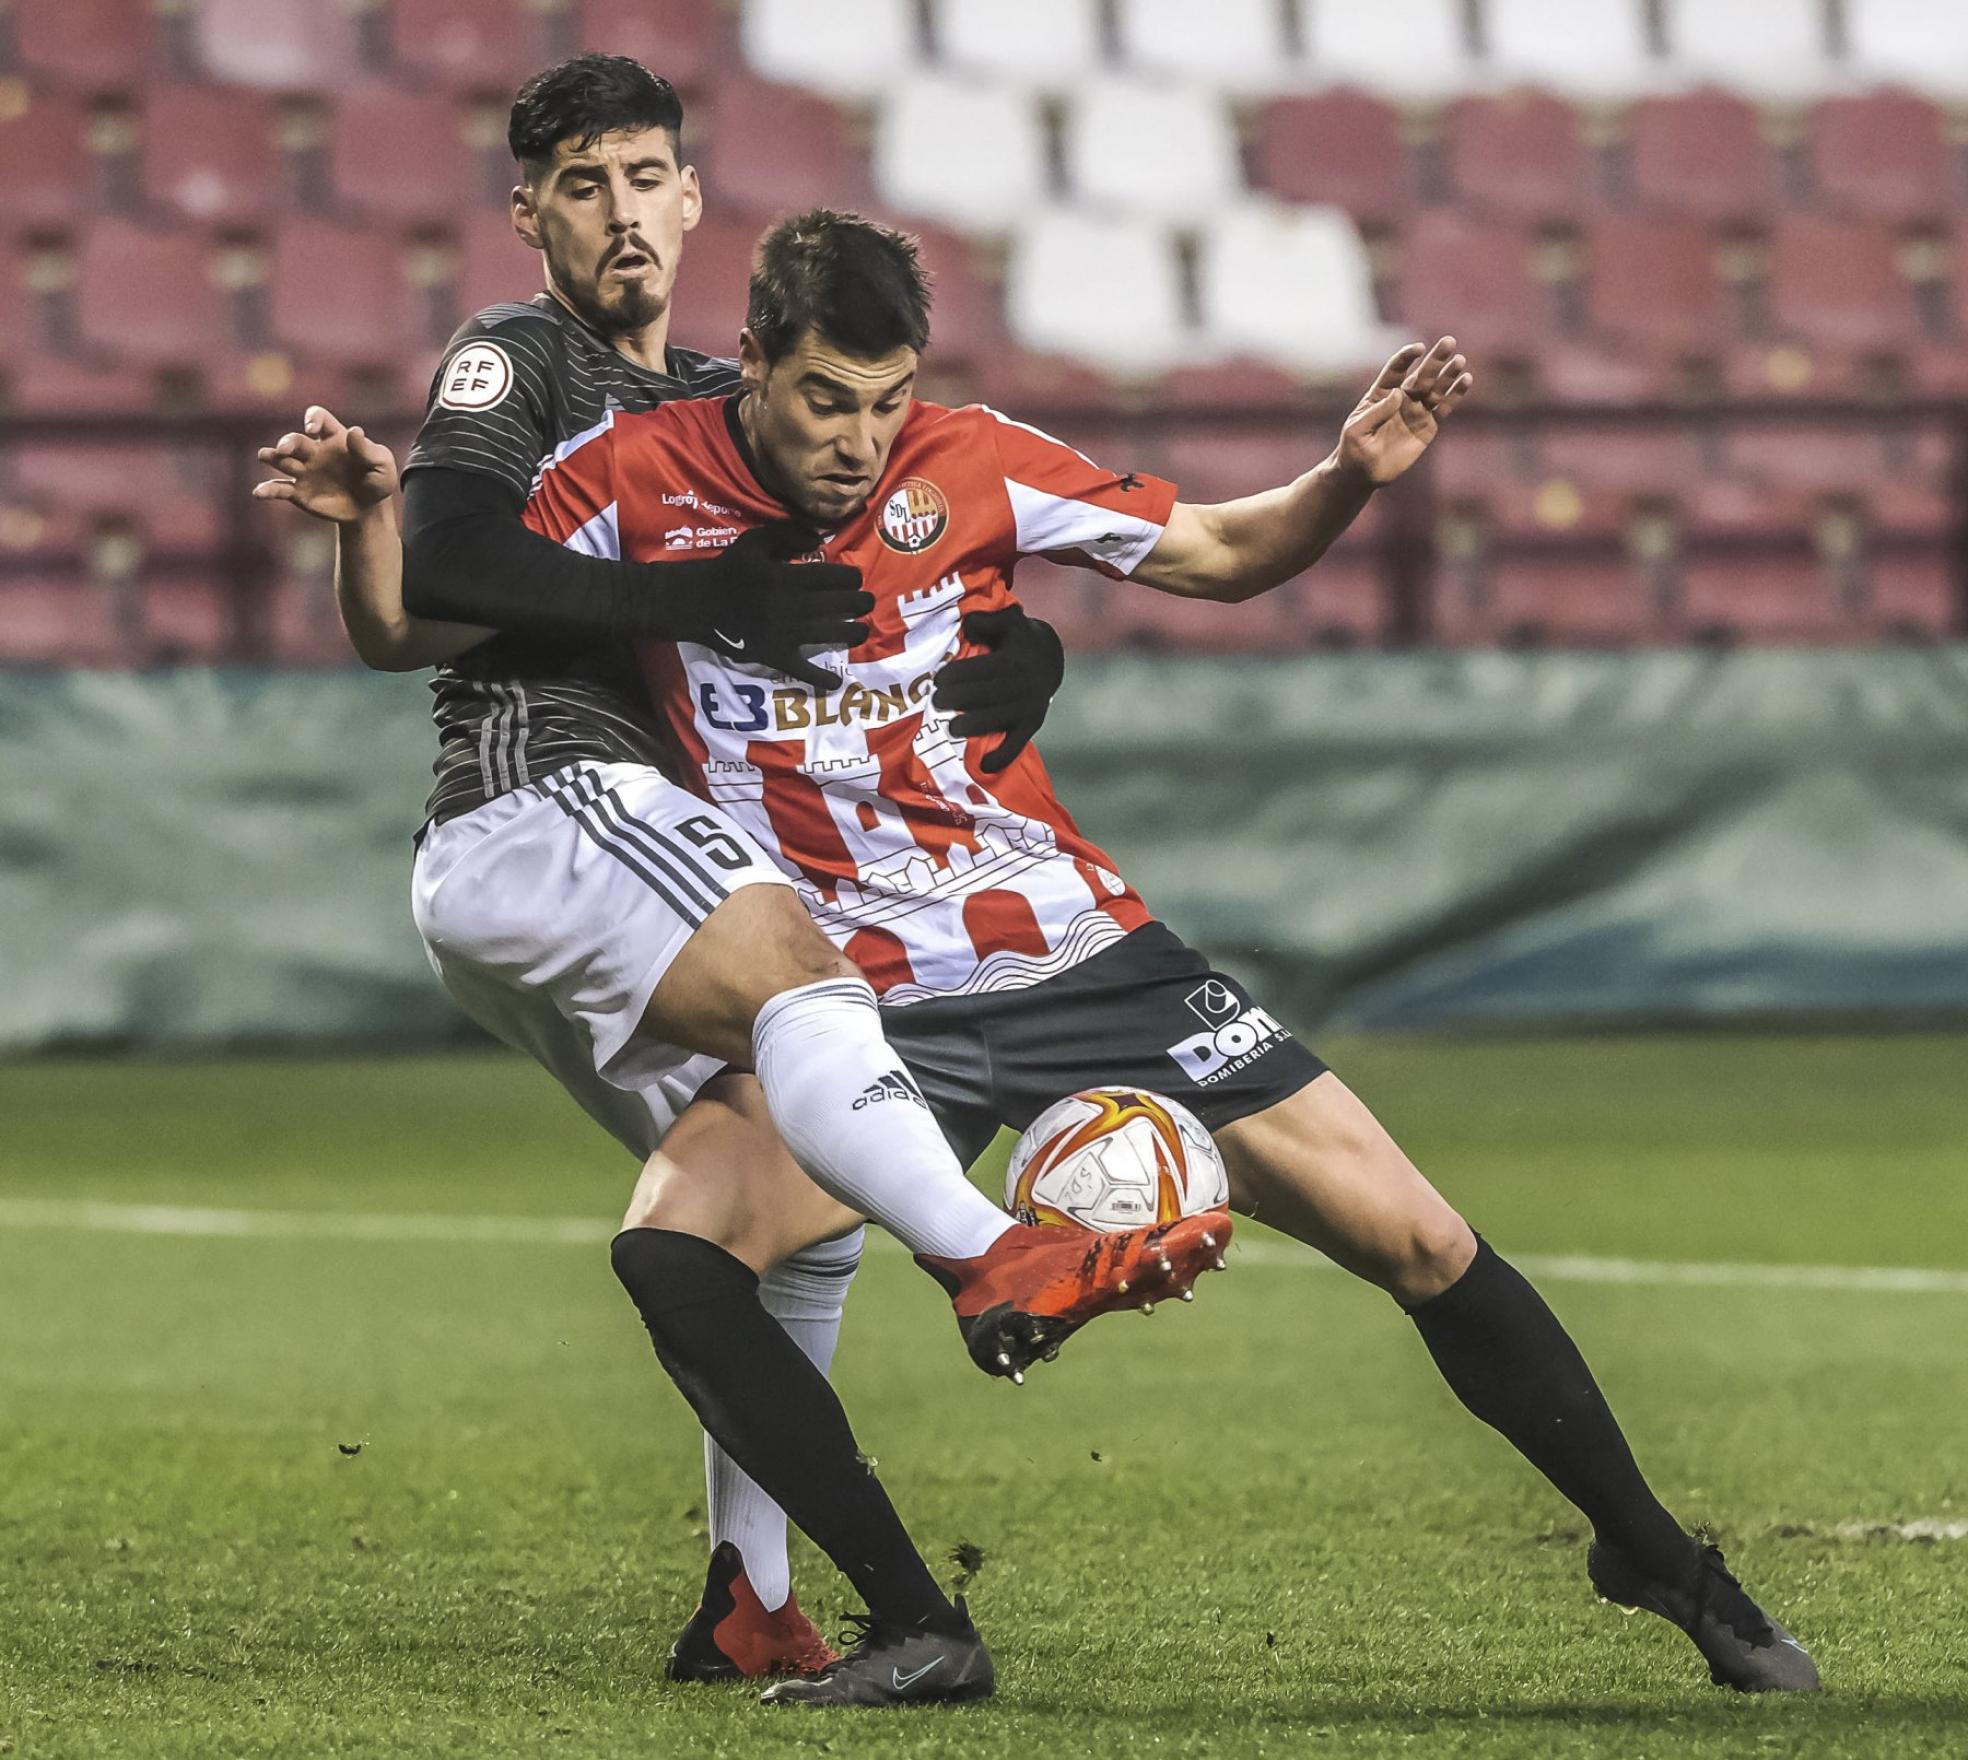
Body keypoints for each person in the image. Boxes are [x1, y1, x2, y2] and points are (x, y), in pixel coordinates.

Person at [267, 205, 1819, 1706]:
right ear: (750, 360)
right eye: (822, 401)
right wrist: (362, 525)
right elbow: (423, 621)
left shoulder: (978, 463)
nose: (856, 441)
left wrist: (1346, 476)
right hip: (851, 989)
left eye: (883, 404)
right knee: (676, 1255)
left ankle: (1657, 1557)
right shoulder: (632, 477)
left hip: (1076, 946)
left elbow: (1217, 549)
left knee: (1417, 1240)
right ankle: (917, 1621)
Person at [254, 58, 1232, 1710]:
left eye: (647, 175)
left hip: (629, 848)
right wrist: (700, 597)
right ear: (534, 213)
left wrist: (1027, 651)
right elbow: (446, 583)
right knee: (811, 984)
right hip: (544, 791)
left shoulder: (738, 399)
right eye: (584, 182)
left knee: (776, 1224)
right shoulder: (524, 358)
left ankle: (761, 1601)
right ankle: (998, 1250)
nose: (623, 210)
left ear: (695, 198)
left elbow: (901, 576)